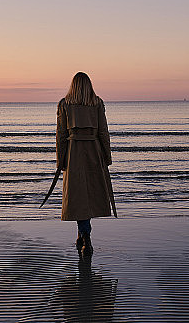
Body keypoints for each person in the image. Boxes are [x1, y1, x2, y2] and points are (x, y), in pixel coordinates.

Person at [56, 72, 115, 256]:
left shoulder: (65, 104)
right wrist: (106, 157)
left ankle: (84, 236)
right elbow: (104, 133)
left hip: (74, 155)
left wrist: (61, 161)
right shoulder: (97, 103)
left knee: (77, 198)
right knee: (86, 198)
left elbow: (61, 136)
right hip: (93, 153)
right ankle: (83, 236)